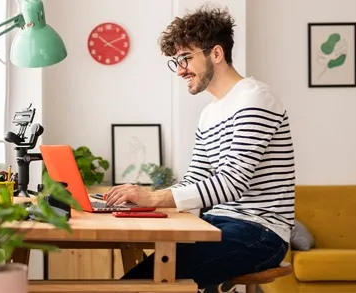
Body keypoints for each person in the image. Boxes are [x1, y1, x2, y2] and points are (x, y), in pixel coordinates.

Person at [104, 4, 295, 289]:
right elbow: (196, 179)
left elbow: (231, 183)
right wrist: (145, 201)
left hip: (260, 232)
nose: (180, 70)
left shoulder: (255, 99)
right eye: (176, 61)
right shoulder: (210, 113)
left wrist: (155, 198)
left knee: (141, 282)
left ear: (216, 53)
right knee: (143, 275)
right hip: (216, 223)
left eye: (185, 58)